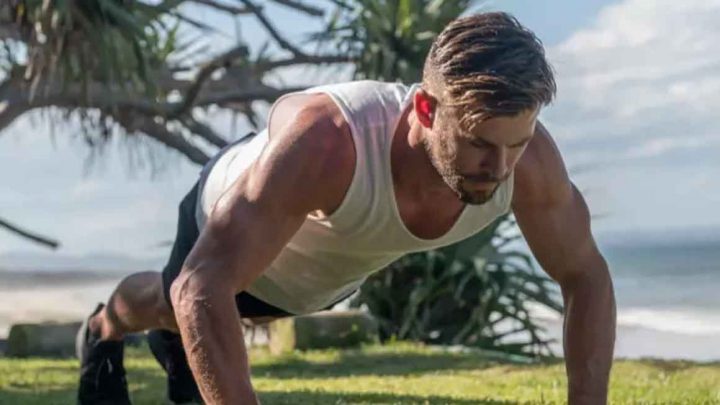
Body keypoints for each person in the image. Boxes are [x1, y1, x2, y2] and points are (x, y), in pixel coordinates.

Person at [76, 11, 616, 405]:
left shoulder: (530, 163)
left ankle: (170, 341)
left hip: (319, 279)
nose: (499, 168)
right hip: (223, 222)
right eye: (478, 143)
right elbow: (200, 286)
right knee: (173, 307)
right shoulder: (331, 141)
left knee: (242, 313)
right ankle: (103, 328)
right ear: (425, 109)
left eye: (516, 143)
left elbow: (585, 276)